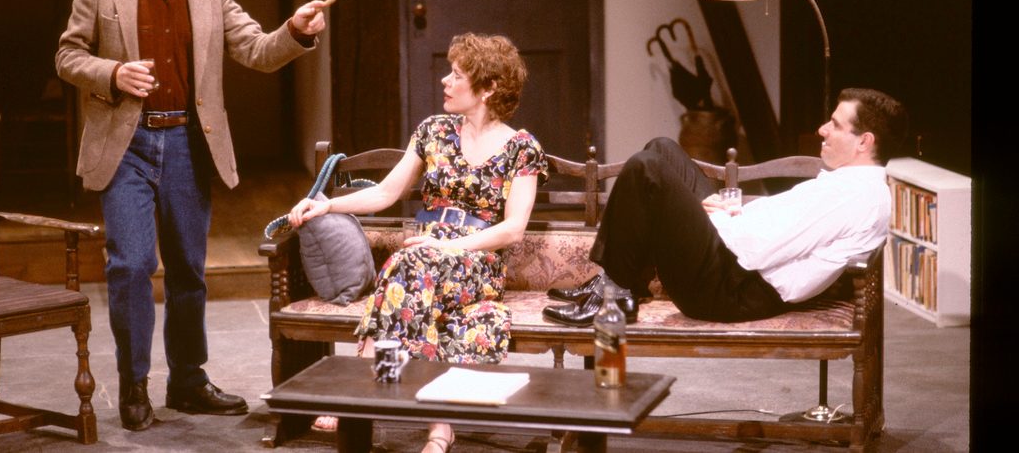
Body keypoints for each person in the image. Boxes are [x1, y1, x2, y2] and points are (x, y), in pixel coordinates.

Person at [56, 0, 329, 431]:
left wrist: (296, 31)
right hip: (127, 144)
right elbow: (68, 55)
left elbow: (256, 50)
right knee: (131, 265)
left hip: (186, 142)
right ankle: (134, 384)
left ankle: (186, 380)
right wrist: (112, 73)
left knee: (187, 268)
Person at [288, 33, 547, 453]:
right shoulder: (433, 131)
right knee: (414, 268)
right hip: (424, 259)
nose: (446, 81)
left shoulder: (522, 148)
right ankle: (439, 431)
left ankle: (357, 390)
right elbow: (385, 193)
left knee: (409, 262)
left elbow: (513, 228)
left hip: (476, 259)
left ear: (488, 88)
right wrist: (327, 205)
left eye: (457, 75)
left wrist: (448, 248)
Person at [543, 88, 908, 326]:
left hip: (732, 292)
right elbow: (777, 230)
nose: (822, 129)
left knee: (646, 167)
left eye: (835, 125)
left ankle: (613, 294)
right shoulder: (852, 183)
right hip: (735, 262)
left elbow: (762, 250)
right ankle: (625, 283)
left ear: (864, 142)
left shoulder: (854, 196)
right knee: (663, 149)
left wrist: (715, 218)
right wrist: (730, 212)